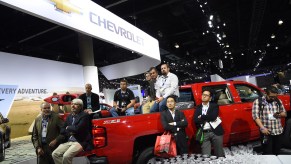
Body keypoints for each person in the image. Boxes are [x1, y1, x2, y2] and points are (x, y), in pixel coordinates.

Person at [52, 99, 92, 164]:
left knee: (66, 156)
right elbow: (62, 130)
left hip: (80, 141)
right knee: (55, 154)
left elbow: (77, 129)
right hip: (69, 141)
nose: (73, 106)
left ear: (80, 106)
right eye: (72, 104)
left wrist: (68, 127)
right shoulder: (69, 116)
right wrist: (69, 130)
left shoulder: (84, 115)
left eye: (75, 104)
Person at [252, 86, 287, 155]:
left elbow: (285, 114)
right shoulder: (258, 102)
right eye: (271, 97)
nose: (273, 98)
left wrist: (279, 114)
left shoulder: (278, 101)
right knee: (267, 152)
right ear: (266, 94)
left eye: (275, 96)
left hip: (278, 131)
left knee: (277, 151)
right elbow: (255, 117)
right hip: (266, 133)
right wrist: (262, 128)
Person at [194, 89, 224, 157]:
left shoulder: (214, 106)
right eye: (203, 94)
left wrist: (201, 116)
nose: (204, 96)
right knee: (205, 156)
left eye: (206, 95)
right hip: (204, 133)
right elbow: (195, 120)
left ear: (210, 98)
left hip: (215, 131)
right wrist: (208, 117)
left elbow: (213, 117)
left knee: (219, 154)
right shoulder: (198, 108)